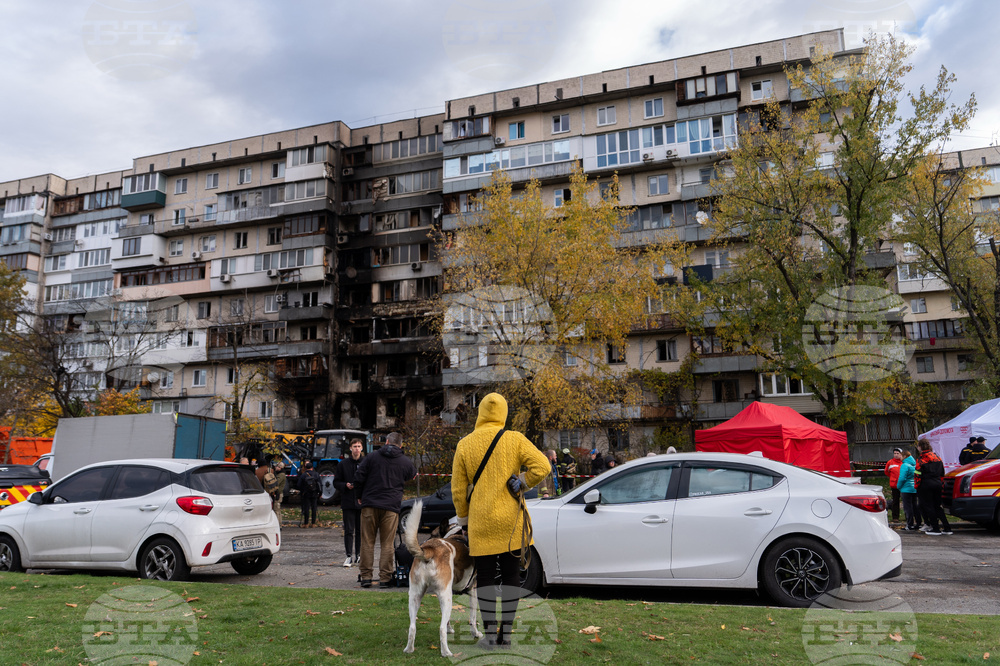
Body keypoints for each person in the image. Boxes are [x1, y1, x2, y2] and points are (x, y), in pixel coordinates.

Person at [452, 392, 550, 649]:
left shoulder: (465, 444)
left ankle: (489, 635)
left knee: (484, 577)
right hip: (511, 523)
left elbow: (458, 490)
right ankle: (505, 635)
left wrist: (463, 521)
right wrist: (524, 482)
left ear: (481, 413)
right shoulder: (515, 439)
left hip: (481, 522)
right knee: (510, 577)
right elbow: (543, 466)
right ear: (503, 413)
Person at [354, 432, 416, 589]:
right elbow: (413, 474)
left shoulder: (372, 457)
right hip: (391, 507)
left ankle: (366, 577)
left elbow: (359, 476)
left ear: (386, 441)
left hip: (369, 504)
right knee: (387, 544)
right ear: (401, 445)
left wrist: (359, 496)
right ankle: (385, 578)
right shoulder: (404, 461)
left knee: (367, 542)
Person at [334, 438, 365, 567]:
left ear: (362, 448)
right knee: (348, 530)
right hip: (348, 501)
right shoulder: (343, 464)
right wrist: (345, 485)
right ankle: (348, 555)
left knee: (360, 530)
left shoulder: (366, 463)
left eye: (359, 446)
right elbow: (336, 482)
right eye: (354, 446)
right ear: (351, 448)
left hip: (362, 501)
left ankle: (358, 554)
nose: (357, 448)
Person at [915, 438, 952, 535]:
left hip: (925, 484)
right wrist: (940, 483)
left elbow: (917, 475)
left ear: (920, 447)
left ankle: (935, 528)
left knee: (928, 506)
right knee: (937, 506)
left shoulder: (921, 459)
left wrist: (917, 486)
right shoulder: (937, 458)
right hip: (937, 483)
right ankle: (947, 528)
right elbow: (942, 472)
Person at [897, 448, 919, 531]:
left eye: (901, 456)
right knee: (914, 506)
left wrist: (899, 486)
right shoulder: (914, 464)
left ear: (905, 456)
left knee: (907, 507)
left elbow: (902, 478)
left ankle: (909, 524)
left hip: (906, 489)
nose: (900, 457)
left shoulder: (904, 465)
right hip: (914, 488)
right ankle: (918, 522)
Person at [298, 461, 321, 528]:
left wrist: (302, 491)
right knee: (314, 508)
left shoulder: (303, 475)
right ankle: (313, 523)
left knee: (306, 508)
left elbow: (299, 485)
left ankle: (306, 523)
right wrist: (320, 493)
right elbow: (319, 484)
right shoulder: (316, 474)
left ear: (305, 468)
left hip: (306, 493)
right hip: (314, 493)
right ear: (312, 467)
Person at [884, 448, 903, 522]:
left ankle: (909, 517)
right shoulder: (890, 462)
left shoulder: (903, 462)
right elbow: (886, 472)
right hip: (894, 484)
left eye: (897, 453)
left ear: (901, 454)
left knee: (906, 500)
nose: (896, 455)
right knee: (895, 501)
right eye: (895, 453)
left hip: (903, 485)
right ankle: (895, 517)